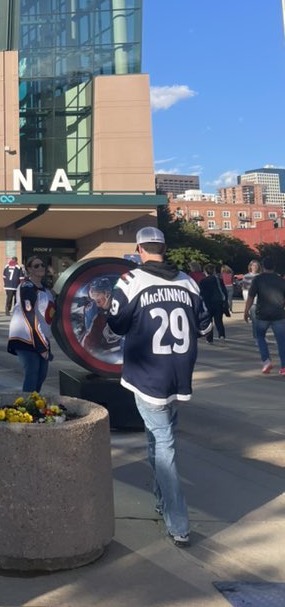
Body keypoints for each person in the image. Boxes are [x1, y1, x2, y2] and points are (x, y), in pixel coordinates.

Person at [107, 227, 210, 548]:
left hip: (147, 376)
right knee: (158, 434)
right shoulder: (187, 282)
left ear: (140, 249)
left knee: (163, 445)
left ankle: (178, 522)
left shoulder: (130, 281)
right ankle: (163, 499)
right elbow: (205, 325)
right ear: (164, 248)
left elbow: (115, 324)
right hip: (178, 375)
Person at [7, 254, 55, 392]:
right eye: (36, 265)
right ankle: (27, 409)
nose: (40, 268)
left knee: (41, 375)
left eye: (42, 265)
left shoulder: (46, 289)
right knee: (32, 374)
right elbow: (29, 314)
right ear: (29, 269)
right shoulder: (26, 287)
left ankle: (34, 404)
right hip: (26, 337)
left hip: (42, 337)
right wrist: (41, 346)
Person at [243, 257, 285, 374]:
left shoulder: (258, 279)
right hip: (278, 314)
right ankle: (283, 367)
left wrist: (246, 312)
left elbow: (251, 297)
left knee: (260, 336)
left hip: (262, 314)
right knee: (282, 341)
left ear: (262, 266)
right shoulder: (281, 280)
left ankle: (266, 361)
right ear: (274, 267)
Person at [199, 262, 229, 343]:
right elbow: (224, 291)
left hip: (208, 303)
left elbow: (201, 293)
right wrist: (225, 301)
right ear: (214, 271)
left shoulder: (203, 281)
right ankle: (221, 336)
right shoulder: (219, 280)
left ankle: (209, 339)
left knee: (209, 321)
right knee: (219, 320)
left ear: (205, 271)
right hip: (218, 302)